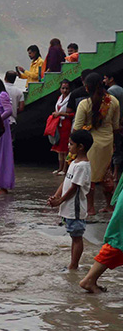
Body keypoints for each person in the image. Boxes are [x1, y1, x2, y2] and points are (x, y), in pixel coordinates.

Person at [72, 72, 123, 215]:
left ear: (87, 88)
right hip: (107, 143)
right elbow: (115, 126)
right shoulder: (113, 101)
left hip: (90, 144)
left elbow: (77, 128)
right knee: (106, 175)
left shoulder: (84, 104)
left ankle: (90, 208)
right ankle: (109, 206)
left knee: (90, 177)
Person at [49, 130, 93, 272]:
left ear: (80, 147)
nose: (68, 146)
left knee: (77, 237)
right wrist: (56, 196)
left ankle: (73, 265)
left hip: (75, 208)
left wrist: (60, 200)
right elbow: (66, 181)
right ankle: (73, 264)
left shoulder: (82, 166)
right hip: (69, 207)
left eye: (71, 144)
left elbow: (74, 188)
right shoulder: (74, 162)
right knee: (74, 236)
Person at [49, 79, 76, 174]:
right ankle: (60, 168)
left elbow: (73, 114)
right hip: (59, 125)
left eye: (67, 88)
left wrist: (60, 114)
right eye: (63, 88)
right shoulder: (59, 98)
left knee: (65, 148)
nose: (65, 90)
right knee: (59, 148)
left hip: (66, 125)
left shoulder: (71, 99)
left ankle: (65, 169)